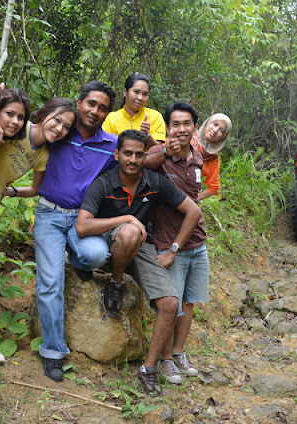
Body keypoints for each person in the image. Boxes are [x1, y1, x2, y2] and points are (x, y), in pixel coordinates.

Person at [75, 129, 202, 396]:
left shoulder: (154, 181)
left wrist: (174, 250)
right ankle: (116, 282)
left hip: (142, 248)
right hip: (110, 245)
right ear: (117, 155)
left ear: (146, 155)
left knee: (170, 303)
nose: (132, 159)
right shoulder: (104, 182)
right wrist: (127, 220)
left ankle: (148, 368)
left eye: (138, 154)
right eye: (127, 153)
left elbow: (193, 210)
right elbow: (83, 226)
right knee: (130, 231)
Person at [0, 92, 77, 364]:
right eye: (57, 120)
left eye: (66, 127)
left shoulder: (43, 154)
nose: (59, 129)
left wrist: (10, 191)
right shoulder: (14, 125)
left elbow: (35, 189)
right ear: (44, 114)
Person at [34, 81, 118, 383]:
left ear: (108, 113)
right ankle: (53, 352)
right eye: (91, 104)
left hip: (83, 219)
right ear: (79, 102)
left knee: (96, 254)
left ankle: (76, 262)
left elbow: (134, 166)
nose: (95, 111)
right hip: (49, 215)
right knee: (50, 283)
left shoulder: (111, 145)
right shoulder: (58, 133)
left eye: (103, 108)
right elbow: (24, 136)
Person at [144, 102, 208, 383]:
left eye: (186, 124)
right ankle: (165, 359)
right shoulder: (160, 153)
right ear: (168, 128)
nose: (181, 129)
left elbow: (194, 198)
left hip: (198, 244)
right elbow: (142, 165)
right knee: (172, 306)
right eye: (175, 124)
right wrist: (162, 152)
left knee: (190, 302)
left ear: (196, 126)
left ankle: (179, 353)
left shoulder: (197, 157)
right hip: (170, 244)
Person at [102, 73, 165, 149]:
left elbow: (158, 151)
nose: (140, 98)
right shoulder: (111, 118)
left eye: (145, 94)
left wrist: (147, 135)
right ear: (125, 92)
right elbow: (105, 146)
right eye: (136, 92)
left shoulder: (155, 116)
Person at [189, 113, 232, 200]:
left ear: (223, 137)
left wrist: (192, 200)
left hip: (181, 198)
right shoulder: (187, 135)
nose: (215, 130)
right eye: (215, 124)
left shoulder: (213, 159)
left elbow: (214, 188)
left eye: (221, 130)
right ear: (208, 122)